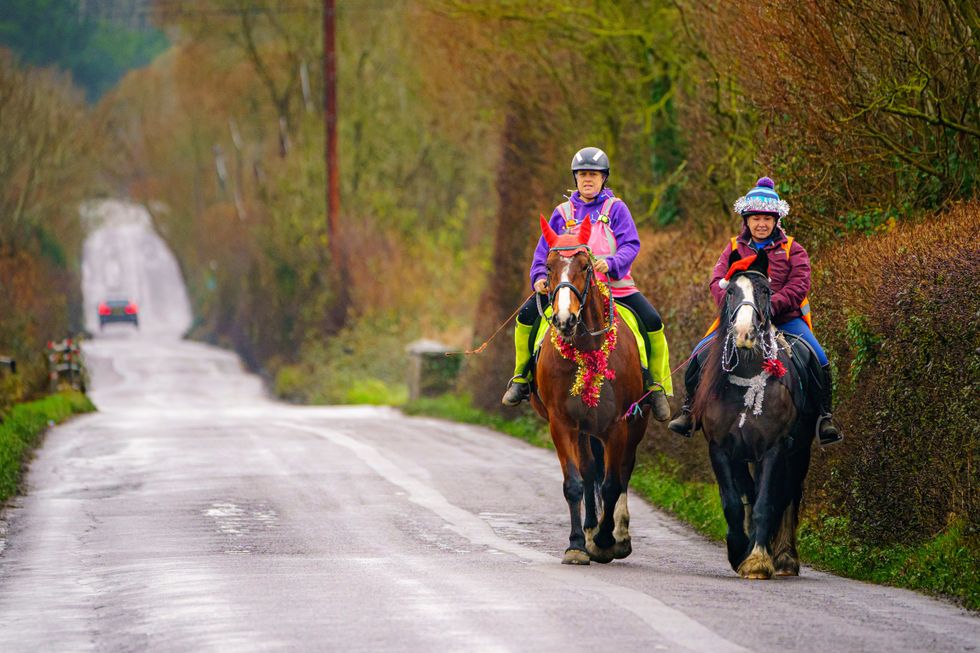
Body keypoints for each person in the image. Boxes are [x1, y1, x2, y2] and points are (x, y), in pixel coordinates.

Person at [501, 146, 673, 421]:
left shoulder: (616, 209)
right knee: (525, 318)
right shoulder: (562, 212)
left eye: (593, 174)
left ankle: (656, 386)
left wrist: (613, 263)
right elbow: (542, 251)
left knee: (652, 322)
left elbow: (631, 244)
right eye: (582, 175)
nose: (587, 180)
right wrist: (540, 278)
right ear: (575, 179)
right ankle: (521, 377)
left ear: (604, 178)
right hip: (566, 288)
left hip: (614, 286)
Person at [667, 176, 843, 445]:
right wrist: (740, 308)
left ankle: (824, 418)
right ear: (747, 220)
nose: (761, 224)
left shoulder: (792, 249)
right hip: (741, 319)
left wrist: (767, 307)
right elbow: (717, 282)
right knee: (698, 355)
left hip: (784, 321)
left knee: (818, 359)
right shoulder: (733, 247)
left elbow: (799, 286)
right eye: (756, 218)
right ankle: (690, 412)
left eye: (767, 219)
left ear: (776, 221)